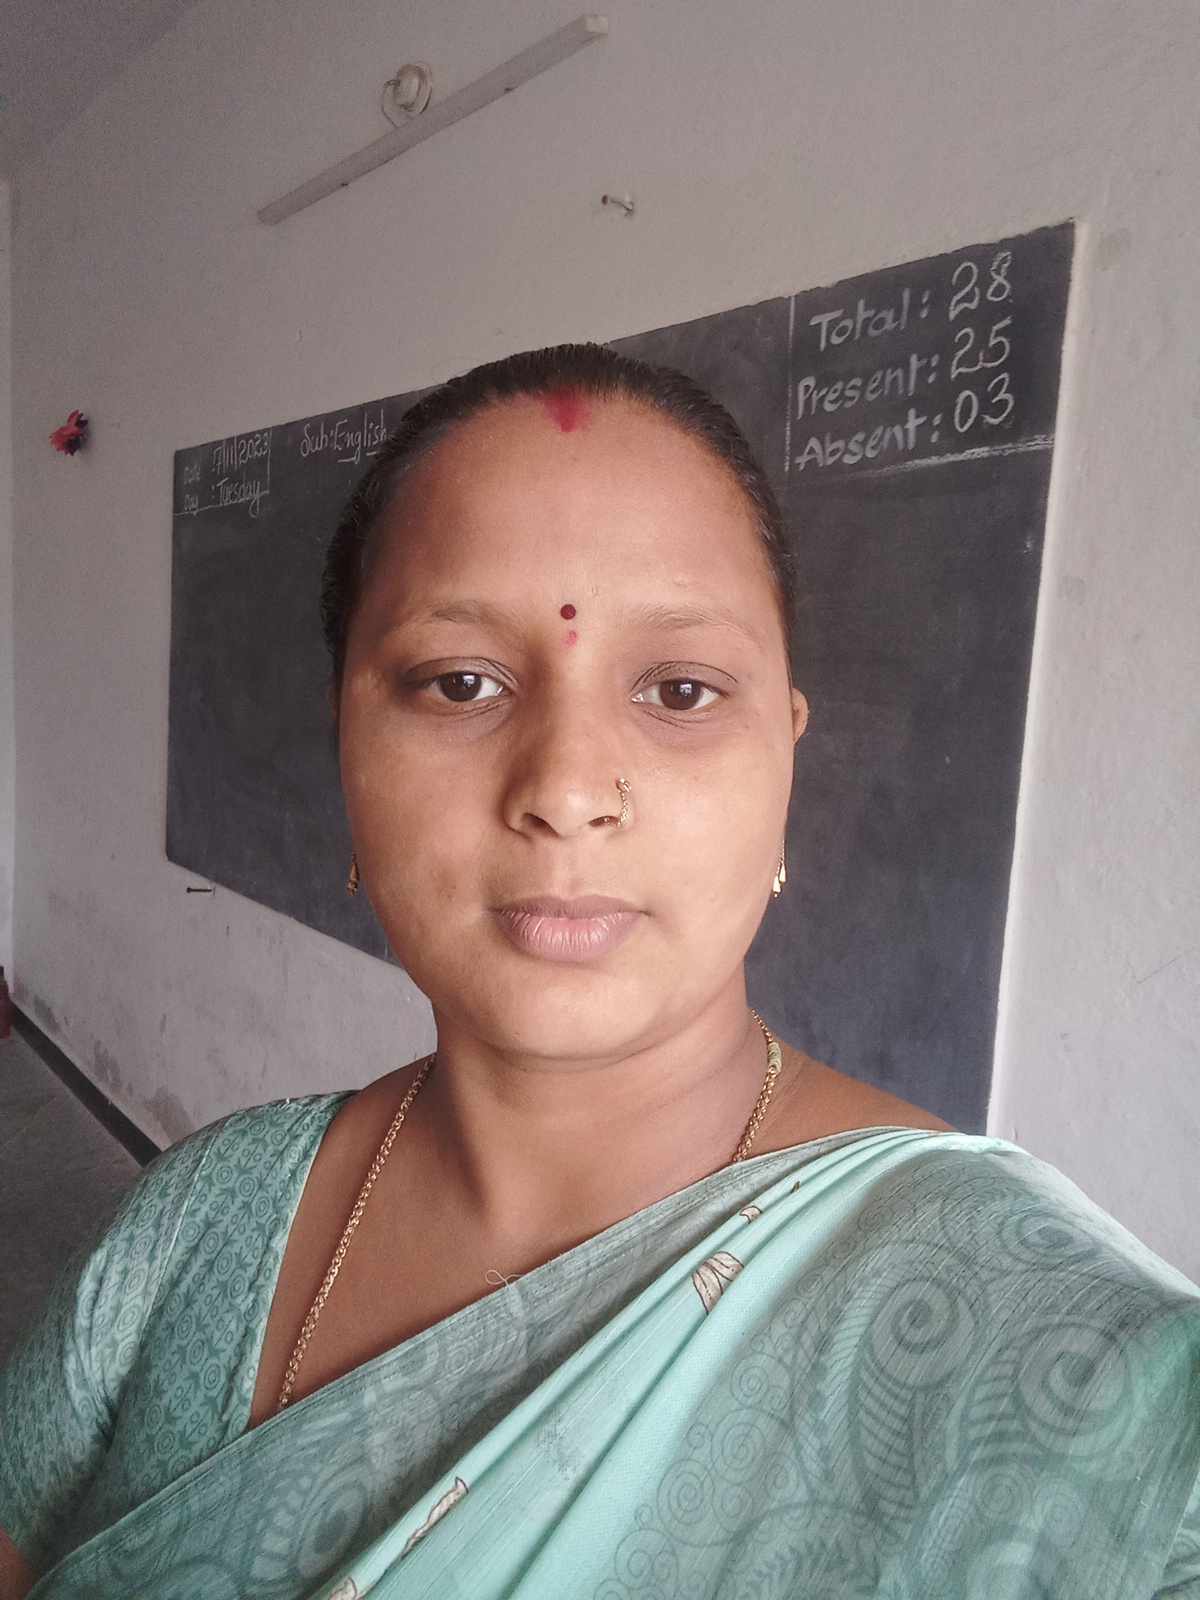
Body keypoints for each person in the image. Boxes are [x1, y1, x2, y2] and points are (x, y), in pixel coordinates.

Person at [1, 343, 1197, 1600]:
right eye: (461, 681)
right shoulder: (195, 1226)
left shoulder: (1098, 1395)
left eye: (679, 689)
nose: (567, 789)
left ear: (786, 756)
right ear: (345, 740)